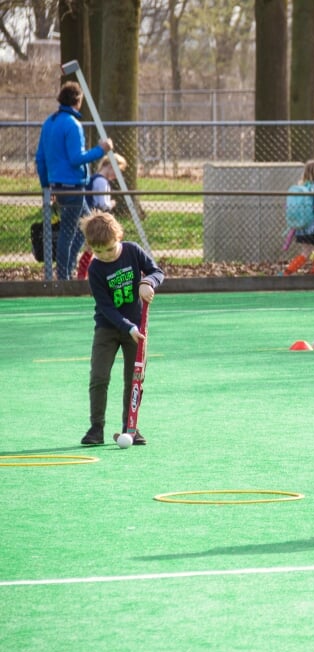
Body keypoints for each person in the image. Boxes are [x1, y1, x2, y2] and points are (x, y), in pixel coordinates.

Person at [79, 211, 164, 446]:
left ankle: (131, 427)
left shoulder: (133, 251)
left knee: (134, 379)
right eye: (98, 251)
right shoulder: (95, 269)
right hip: (108, 328)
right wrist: (127, 327)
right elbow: (106, 307)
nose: (105, 256)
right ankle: (96, 428)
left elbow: (157, 272)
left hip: (138, 330)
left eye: (109, 248)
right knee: (99, 376)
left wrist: (148, 282)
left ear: (119, 237)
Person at [35, 81, 113, 280]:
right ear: (77, 100)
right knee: (69, 232)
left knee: (85, 228)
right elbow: (76, 158)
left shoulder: (49, 122)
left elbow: (40, 158)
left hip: (59, 186)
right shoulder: (72, 124)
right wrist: (101, 150)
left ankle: (70, 272)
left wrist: (46, 185)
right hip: (73, 187)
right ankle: (63, 278)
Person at [75, 153, 128, 280]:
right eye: (117, 171)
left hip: (90, 218)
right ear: (110, 166)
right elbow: (102, 204)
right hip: (96, 221)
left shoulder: (95, 178)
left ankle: (82, 275)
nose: (116, 176)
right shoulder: (101, 181)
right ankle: (83, 275)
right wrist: (111, 203)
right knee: (93, 248)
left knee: (90, 249)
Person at [283, 160, 314, 276]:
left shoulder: (303, 186)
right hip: (313, 226)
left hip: (302, 225)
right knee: (306, 252)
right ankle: (287, 272)